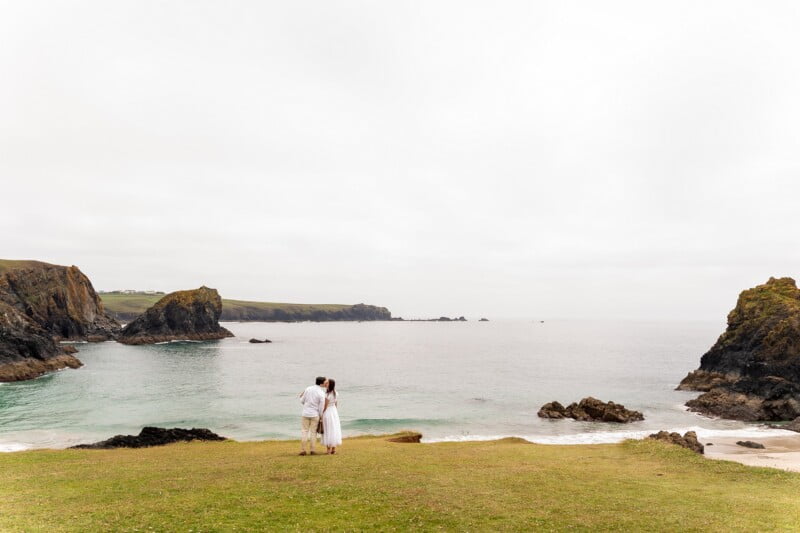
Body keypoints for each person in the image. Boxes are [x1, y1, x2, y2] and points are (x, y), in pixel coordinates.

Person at [299, 376, 326, 456]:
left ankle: (303, 450)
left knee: (304, 431)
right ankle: (312, 450)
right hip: (315, 414)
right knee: (313, 432)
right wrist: (321, 416)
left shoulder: (308, 389)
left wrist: (307, 405)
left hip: (305, 413)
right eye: (324, 382)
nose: (325, 384)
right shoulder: (321, 393)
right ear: (321, 383)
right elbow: (321, 407)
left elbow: (302, 400)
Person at [321, 378, 342, 454]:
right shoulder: (335, 393)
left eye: (327, 383)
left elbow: (325, 406)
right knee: (334, 429)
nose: (325, 384)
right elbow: (336, 404)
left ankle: (328, 450)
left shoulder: (327, 394)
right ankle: (333, 449)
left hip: (328, 411)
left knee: (328, 429)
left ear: (330, 384)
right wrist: (335, 411)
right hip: (334, 411)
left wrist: (321, 414)